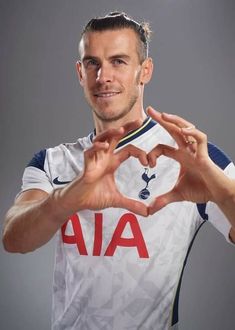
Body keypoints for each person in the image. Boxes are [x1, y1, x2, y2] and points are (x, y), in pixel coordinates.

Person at [2, 11, 235, 330]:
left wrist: (218, 185)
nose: (103, 77)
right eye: (92, 63)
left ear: (145, 71)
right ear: (79, 73)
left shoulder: (192, 157)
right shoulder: (52, 161)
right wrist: (68, 198)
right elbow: (14, 239)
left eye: (119, 61)